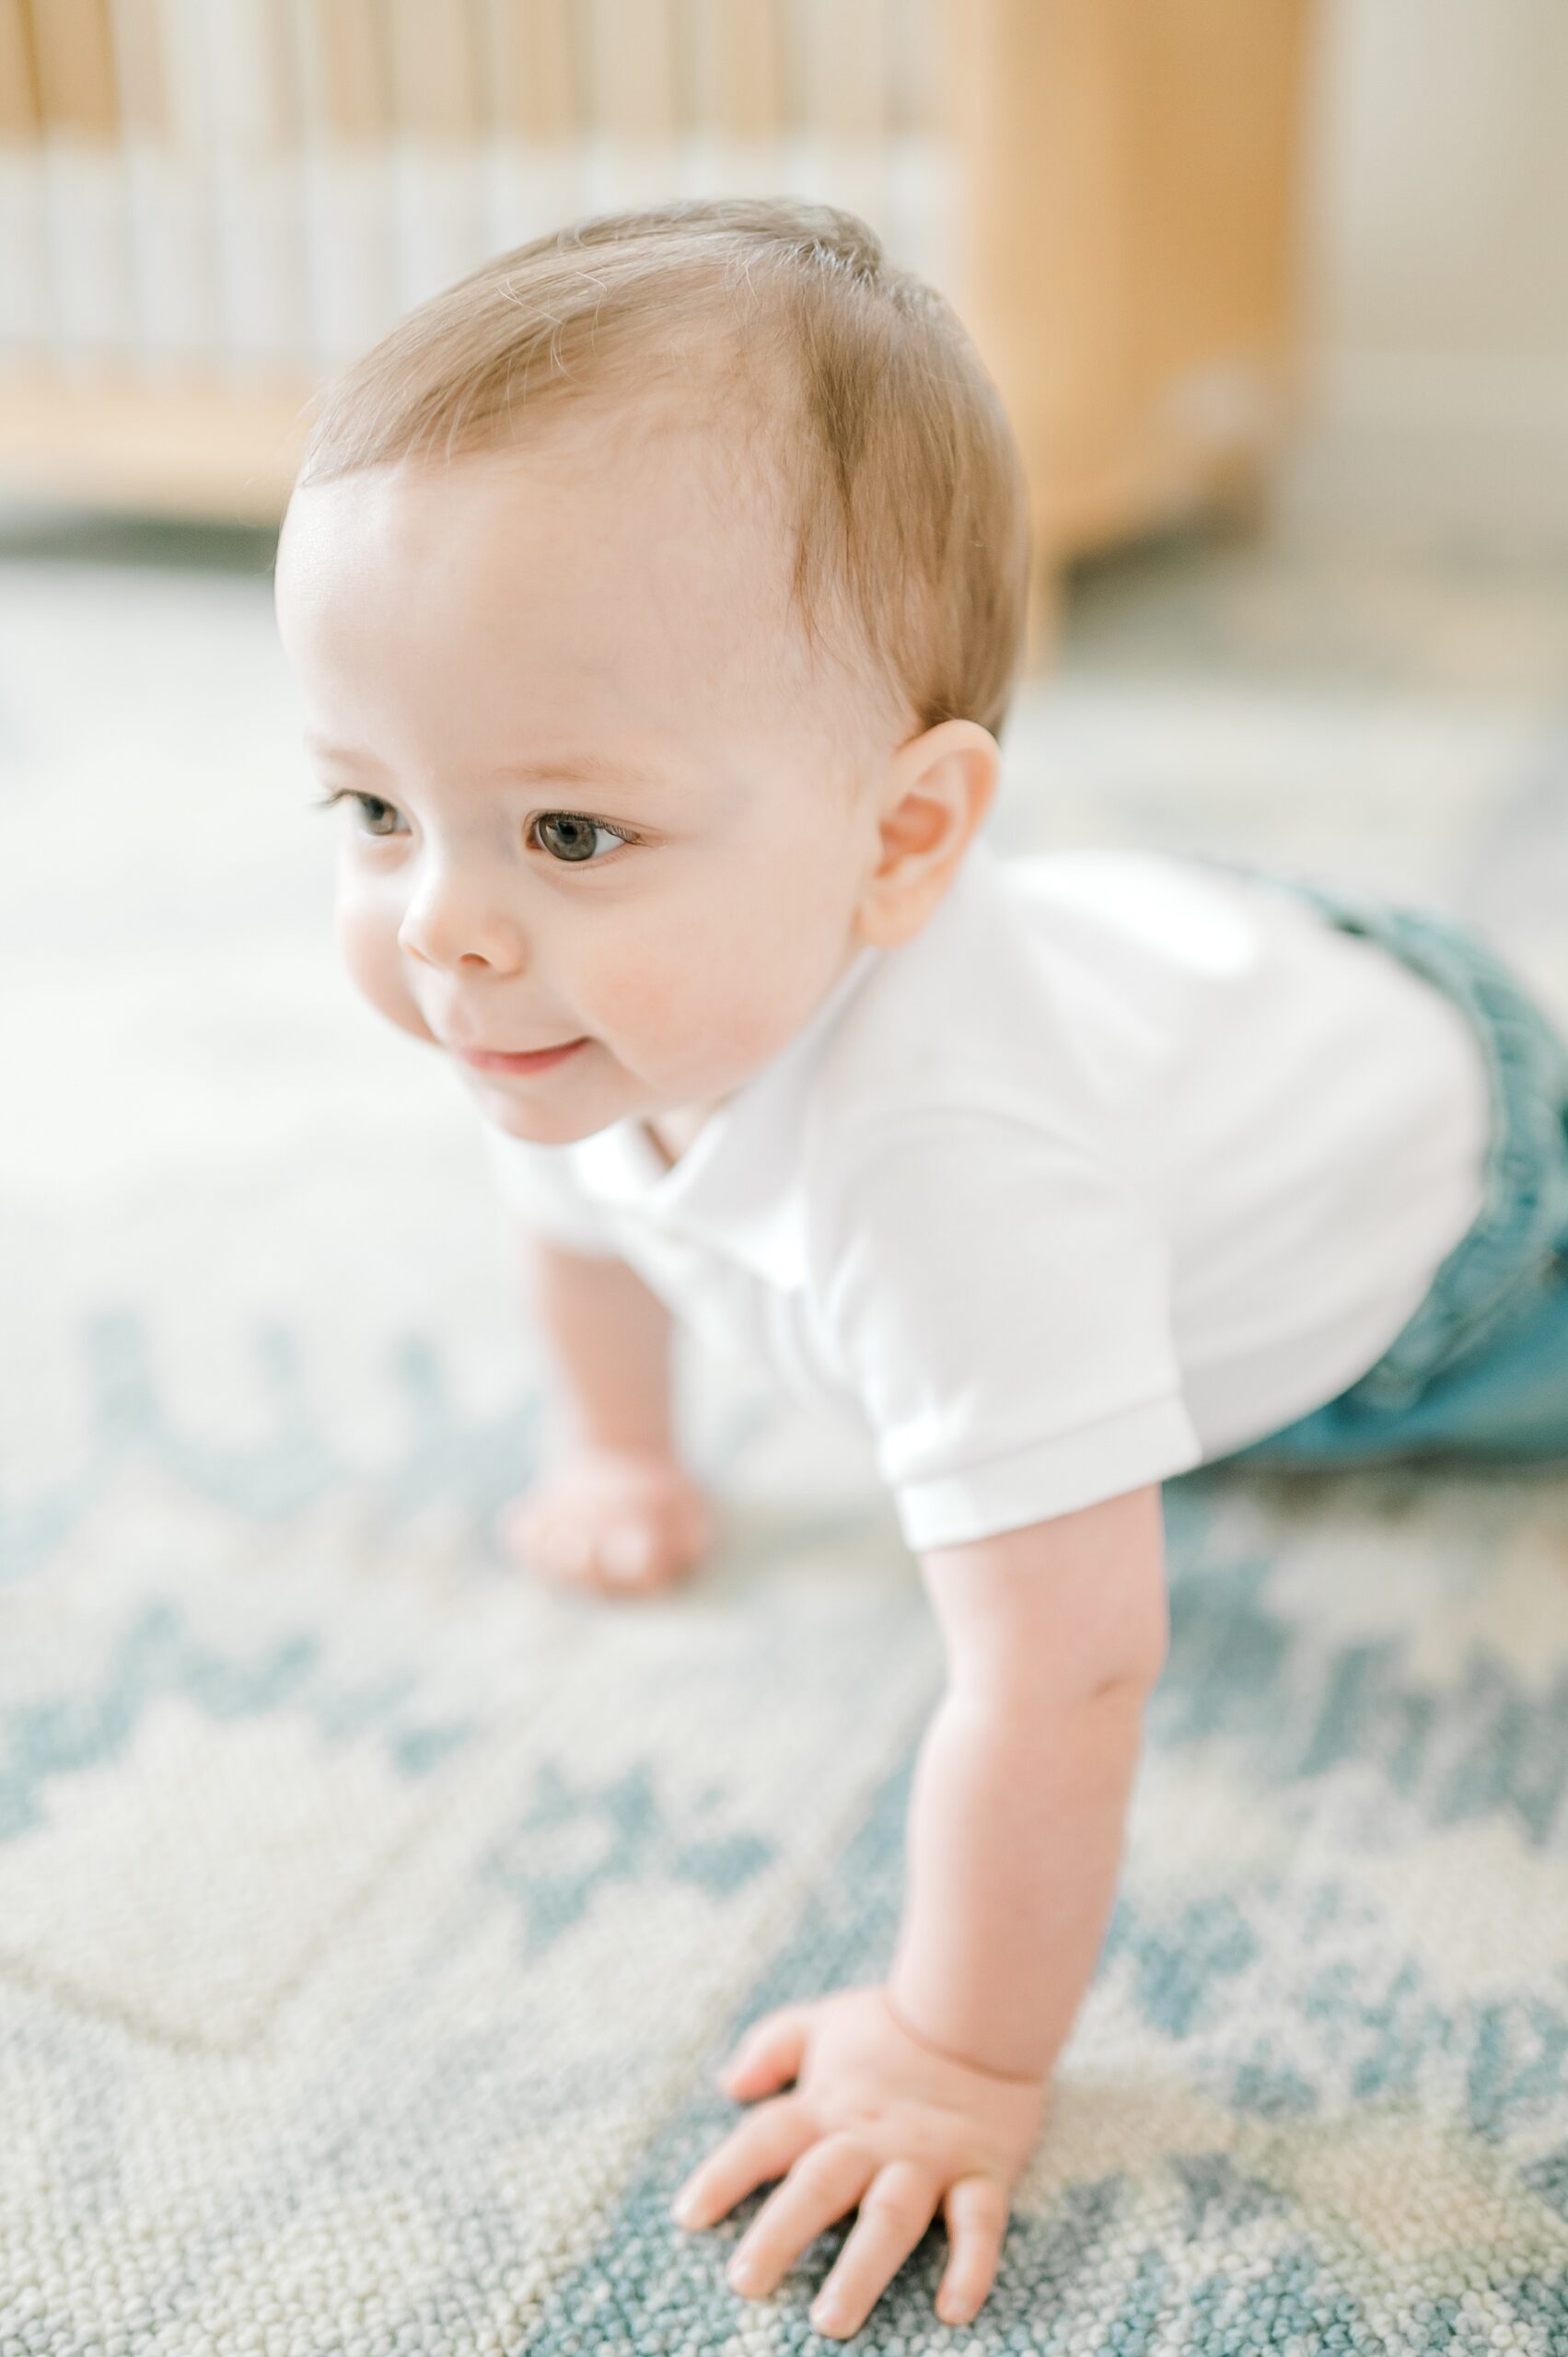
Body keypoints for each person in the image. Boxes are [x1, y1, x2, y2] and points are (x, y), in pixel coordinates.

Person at [273, 197, 1568, 2340]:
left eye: (566, 831)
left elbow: (1066, 1671)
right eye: (369, 806)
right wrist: (619, 1450)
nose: (443, 925)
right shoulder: (560, 993)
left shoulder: (955, 1187)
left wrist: (962, 2055)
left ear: (903, 836)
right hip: (1187, 982)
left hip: (1448, 1217)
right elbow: (573, 1207)